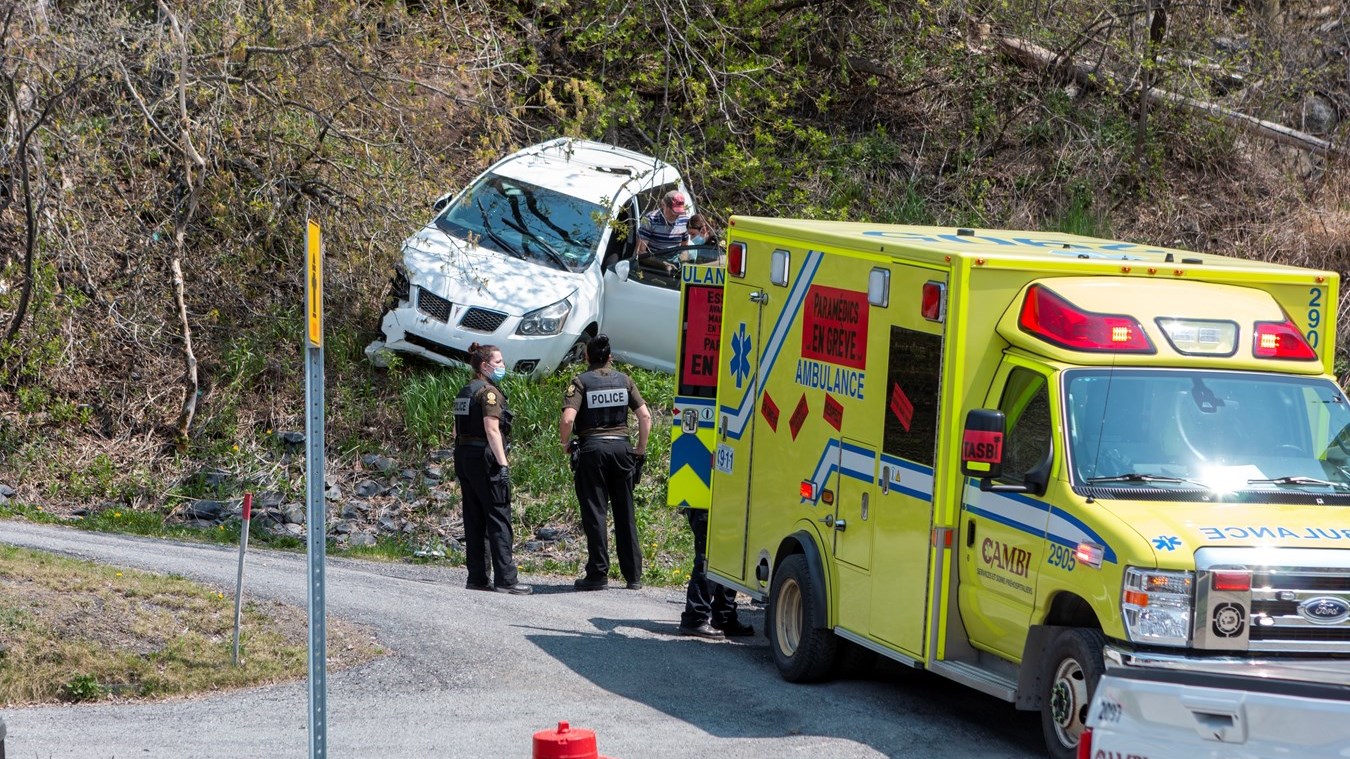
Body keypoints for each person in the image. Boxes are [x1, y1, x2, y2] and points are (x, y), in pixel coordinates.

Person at [559, 334, 653, 591]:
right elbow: (645, 416)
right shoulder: (624, 380)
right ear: (609, 357)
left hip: (593, 451)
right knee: (625, 513)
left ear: (587, 356)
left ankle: (598, 573)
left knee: (596, 512)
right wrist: (640, 449)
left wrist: (565, 443)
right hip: (622, 449)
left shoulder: (580, 382)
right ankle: (633, 576)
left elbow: (568, 420)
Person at [453, 343, 531, 595]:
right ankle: (507, 579)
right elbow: (491, 429)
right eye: (498, 362)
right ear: (484, 366)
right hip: (485, 457)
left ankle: (477, 577)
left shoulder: (465, 391)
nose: (502, 366)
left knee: (474, 517)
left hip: (464, 454)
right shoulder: (489, 393)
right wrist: (503, 464)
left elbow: (455, 430)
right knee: (498, 516)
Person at [678, 504, 753, 638]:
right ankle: (695, 619)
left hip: (725, 504)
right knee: (708, 559)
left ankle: (724, 617)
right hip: (706, 503)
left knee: (729, 559)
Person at [635, 189, 691, 269]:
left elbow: (684, 247)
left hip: (675, 262)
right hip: (654, 263)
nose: (675, 215)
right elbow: (640, 252)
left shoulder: (684, 220)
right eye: (673, 211)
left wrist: (684, 262)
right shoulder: (649, 219)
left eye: (678, 212)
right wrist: (663, 265)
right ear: (663, 205)